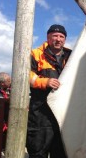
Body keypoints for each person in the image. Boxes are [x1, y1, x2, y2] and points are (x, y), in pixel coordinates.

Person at [26, 24, 72, 158]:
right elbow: (25, 74)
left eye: (61, 36)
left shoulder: (71, 55)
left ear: (65, 39)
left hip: (63, 115)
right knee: (38, 151)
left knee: (61, 152)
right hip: (41, 113)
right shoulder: (35, 54)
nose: (58, 39)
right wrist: (45, 82)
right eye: (55, 36)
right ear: (48, 37)